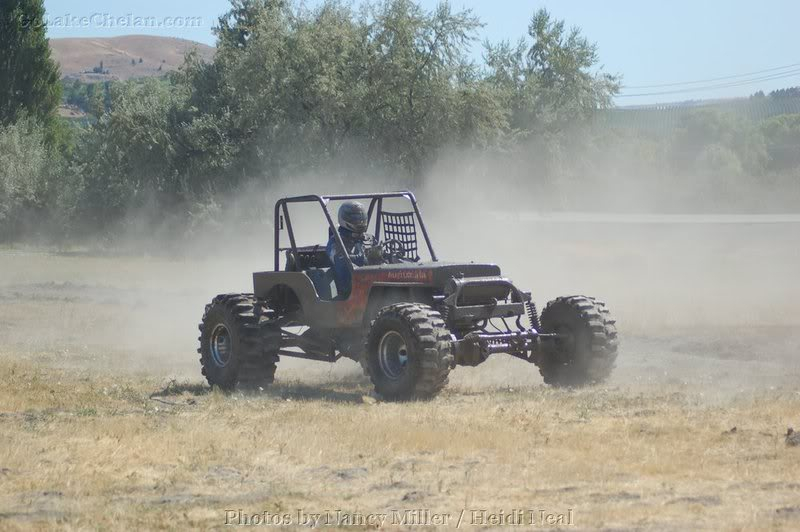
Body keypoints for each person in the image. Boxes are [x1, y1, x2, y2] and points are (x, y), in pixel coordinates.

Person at [326, 201, 378, 297]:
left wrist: (378, 255)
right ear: (345, 218)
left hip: (374, 284)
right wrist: (362, 257)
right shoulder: (335, 241)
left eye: (361, 218)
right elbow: (341, 262)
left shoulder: (368, 238)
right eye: (355, 218)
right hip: (348, 288)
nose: (360, 222)